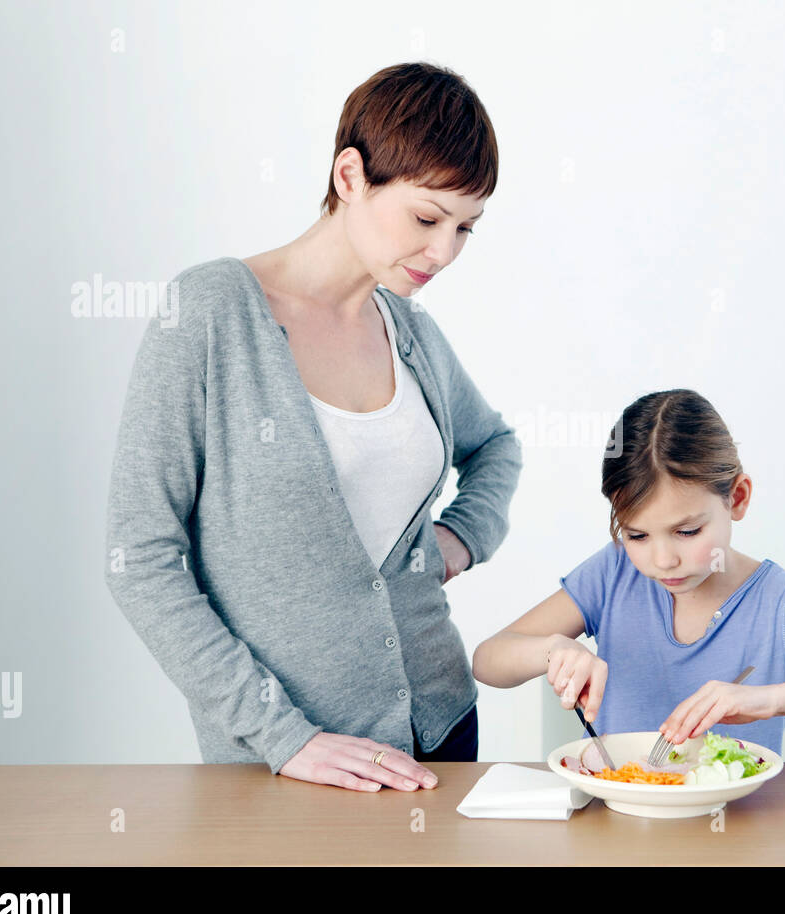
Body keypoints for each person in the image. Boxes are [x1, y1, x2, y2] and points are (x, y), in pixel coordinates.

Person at [105, 63, 520, 793]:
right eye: (427, 218)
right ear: (351, 174)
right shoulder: (210, 314)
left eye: (466, 229)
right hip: (287, 759)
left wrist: (459, 540)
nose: (445, 253)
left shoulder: (408, 331)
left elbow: (495, 446)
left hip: (442, 726)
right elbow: (140, 558)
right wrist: (281, 735)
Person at [472, 389, 785, 754]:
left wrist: (777, 698)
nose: (662, 560)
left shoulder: (783, 603)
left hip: (739, 839)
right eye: (637, 536)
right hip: (621, 833)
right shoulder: (613, 574)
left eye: (687, 532)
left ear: (739, 498)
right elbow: (488, 660)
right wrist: (552, 650)